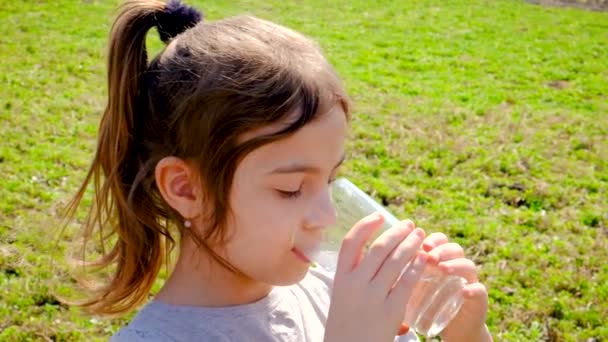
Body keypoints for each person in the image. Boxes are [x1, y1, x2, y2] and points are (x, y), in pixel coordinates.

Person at [66, 0, 492, 341]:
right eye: (290, 189)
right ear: (187, 188)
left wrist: (467, 336)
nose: (327, 215)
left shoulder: (334, 294)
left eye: (329, 179)